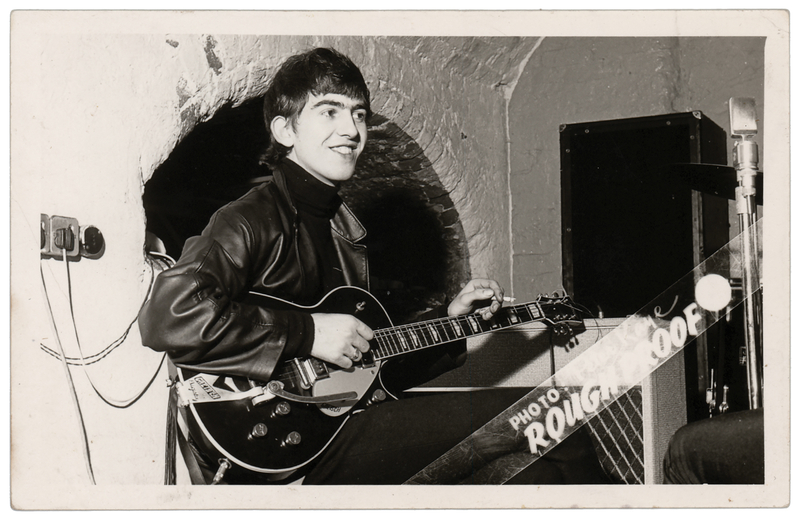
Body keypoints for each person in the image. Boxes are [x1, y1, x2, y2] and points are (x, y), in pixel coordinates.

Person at [139, 47, 610, 485]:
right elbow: (168, 316)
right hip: (289, 446)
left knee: (527, 474)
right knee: (552, 408)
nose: (351, 130)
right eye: (329, 111)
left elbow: (370, 372)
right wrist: (307, 332)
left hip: (344, 426)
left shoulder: (346, 232)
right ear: (285, 131)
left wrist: (451, 323)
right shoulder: (248, 218)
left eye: (358, 114)